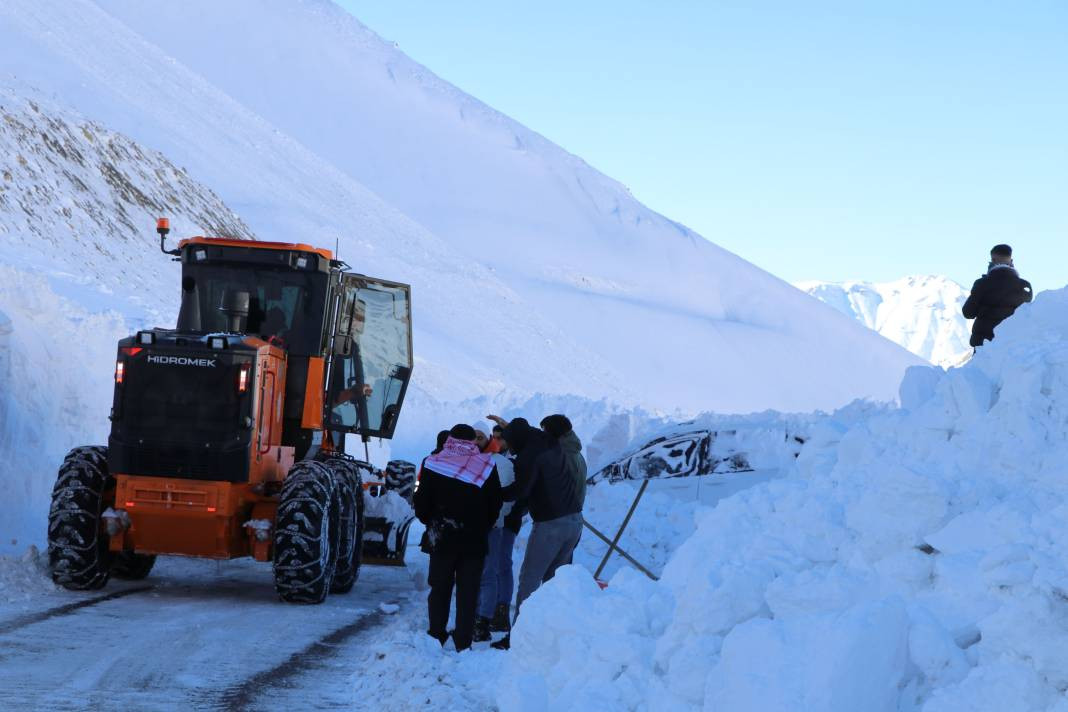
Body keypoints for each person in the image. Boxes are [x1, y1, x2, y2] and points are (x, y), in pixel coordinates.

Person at [487, 414, 584, 650]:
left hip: (551, 525)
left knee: (529, 578)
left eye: (509, 443)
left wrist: (490, 493)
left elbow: (519, 492)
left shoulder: (529, 457)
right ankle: (550, 635)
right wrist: (509, 427)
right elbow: (524, 432)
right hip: (575, 521)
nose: (508, 448)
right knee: (555, 581)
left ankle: (520, 637)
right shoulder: (547, 440)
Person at [413, 424, 503, 651]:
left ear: (450, 440)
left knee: (440, 587)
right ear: (473, 442)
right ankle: (463, 640)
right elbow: (495, 503)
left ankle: (436, 635)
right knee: (469, 590)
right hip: (473, 540)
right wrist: (483, 526)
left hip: (441, 536)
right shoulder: (486, 466)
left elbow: (421, 502)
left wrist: (431, 522)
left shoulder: (433, 464)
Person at [472, 432, 517, 642]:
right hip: (477, 526)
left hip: (497, 525)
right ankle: (479, 616)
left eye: (501, 437)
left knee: (496, 568)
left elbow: (508, 500)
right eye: (495, 436)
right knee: (479, 571)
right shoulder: (474, 460)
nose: (498, 440)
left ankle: (491, 616)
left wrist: (496, 517)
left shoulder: (504, 463)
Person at [962, 244, 1033, 348]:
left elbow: (968, 313)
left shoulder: (982, 284)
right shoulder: (1024, 286)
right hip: (1013, 346)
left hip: (983, 343)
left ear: (993, 260)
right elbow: (1028, 317)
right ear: (1011, 261)